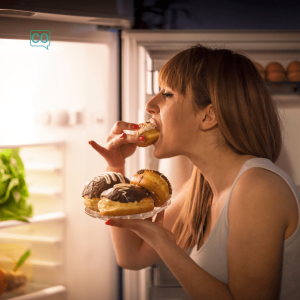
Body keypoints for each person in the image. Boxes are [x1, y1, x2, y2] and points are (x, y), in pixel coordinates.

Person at [89, 44, 300, 300]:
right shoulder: (201, 186)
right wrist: (116, 167)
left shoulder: (258, 188)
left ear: (208, 116)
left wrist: (164, 242)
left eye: (166, 94)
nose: (149, 106)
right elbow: (132, 257)